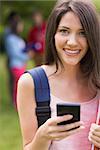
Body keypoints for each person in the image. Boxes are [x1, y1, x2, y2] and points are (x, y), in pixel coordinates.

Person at [17, 0, 100, 149]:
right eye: (64, 31)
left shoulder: (98, 84)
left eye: (82, 33)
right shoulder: (31, 83)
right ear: (53, 34)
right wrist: (42, 137)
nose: (72, 42)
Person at [5, 16, 30, 109]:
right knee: (20, 85)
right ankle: (18, 103)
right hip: (16, 65)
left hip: (21, 65)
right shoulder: (11, 39)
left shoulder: (18, 38)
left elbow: (21, 50)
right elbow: (15, 53)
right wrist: (28, 56)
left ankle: (17, 103)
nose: (22, 27)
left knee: (17, 85)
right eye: (20, 25)